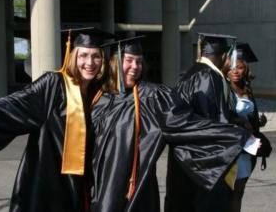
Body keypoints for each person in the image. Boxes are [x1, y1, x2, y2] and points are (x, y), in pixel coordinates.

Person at [0, 27, 114, 212]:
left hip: (84, 181)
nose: (89, 62)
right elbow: (16, 103)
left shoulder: (101, 94)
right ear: (73, 56)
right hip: (48, 178)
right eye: (83, 55)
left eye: (96, 56)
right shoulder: (54, 84)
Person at [90, 36, 248, 212]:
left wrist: (234, 135)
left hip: (134, 188)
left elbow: (184, 124)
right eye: (129, 60)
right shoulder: (98, 97)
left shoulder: (152, 97)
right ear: (115, 61)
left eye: (139, 62)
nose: (135, 67)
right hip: (98, 188)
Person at [165, 33, 242, 212]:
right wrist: (237, 133)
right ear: (224, 56)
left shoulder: (189, 73)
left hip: (182, 159)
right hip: (202, 167)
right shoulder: (209, 77)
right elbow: (212, 124)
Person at [222, 43, 267, 212]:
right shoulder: (223, 88)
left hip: (247, 148)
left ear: (246, 69)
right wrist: (241, 122)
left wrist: (258, 122)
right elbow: (222, 115)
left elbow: (249, 115)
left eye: (240, 67)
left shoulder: (247, 88)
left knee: (239, 191)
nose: (235, 71)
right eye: (232, 67)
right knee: (228, 191)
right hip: (232, 147)